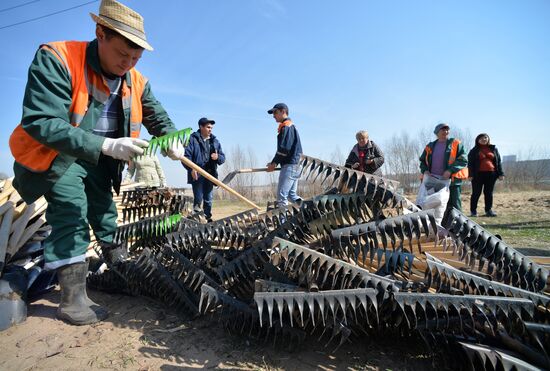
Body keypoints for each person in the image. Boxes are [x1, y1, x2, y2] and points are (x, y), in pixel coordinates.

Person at [8, 0, 185, 325]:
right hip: (60, 156)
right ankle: (72, 299)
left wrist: (171, 138)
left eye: (135, 57)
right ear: (100, 33)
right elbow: (41, 121)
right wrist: (105, 143)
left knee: (105, 213)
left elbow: (155, 113)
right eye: (122, 54)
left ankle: (120, 270)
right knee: (72, 212)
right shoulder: (58, 57)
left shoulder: (136, 79)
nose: (128, 63)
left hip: (101, 162)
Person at [183, 117, 225, 223]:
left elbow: (222, 158)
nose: (210, 129)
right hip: (197, 175)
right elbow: (185, 157)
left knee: (209, 199)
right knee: (198, 199)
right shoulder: (192, 140)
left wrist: (217, 157)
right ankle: (197, 220)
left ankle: (207, 218)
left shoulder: (215, 141)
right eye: (208, 127)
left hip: (210, 175)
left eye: (211, 127)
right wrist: (191, 168)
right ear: (201, 127)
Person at [419, 123, 468, 212]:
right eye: (443, 129)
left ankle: (456, 224)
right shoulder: (429, 146)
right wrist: (425, 170)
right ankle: (440, 224)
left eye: (447, 129)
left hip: (452, 181)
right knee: (437, 205)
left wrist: (450, 170)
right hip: (434, 181)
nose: (446, 131)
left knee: (454, 205)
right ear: (437, 132)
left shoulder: (455, 143)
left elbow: (463, 159)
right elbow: (422, 161)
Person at [266, 103, 303, 207]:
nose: (273, 115)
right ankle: (309, 210)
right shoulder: (290, 126)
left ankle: (284, 223)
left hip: (290, 165)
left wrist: (274, 163)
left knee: (282, 196)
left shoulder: (286, 126)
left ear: (283, 111)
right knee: (291, 195)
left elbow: (284, 149)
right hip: (296, 164)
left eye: (275, 112)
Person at [467, 133, 505, 217]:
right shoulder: (474, 151)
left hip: (491, 174)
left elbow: (498, 162)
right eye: (481, 138)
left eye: (485, 137)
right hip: (478, 175)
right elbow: (470, 164)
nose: (484, 139)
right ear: (477, 140)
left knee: (488, 193)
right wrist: (470, 175)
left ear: (488, 139)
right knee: (476, 193)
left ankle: (488, 210)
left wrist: (501, 173)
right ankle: (473, 211)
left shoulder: (493, 149)